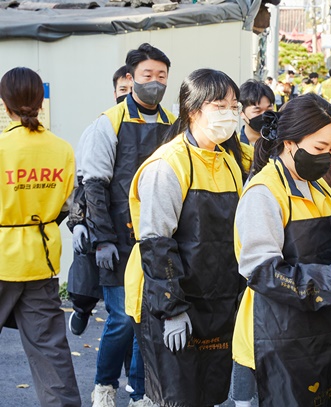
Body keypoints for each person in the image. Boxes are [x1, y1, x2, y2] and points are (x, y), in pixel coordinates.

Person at [125, 68, 248, 407]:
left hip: (216, 301)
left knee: (209, 394)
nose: (230, 114)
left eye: (234, 106)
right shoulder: (167, 165)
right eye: (219, 106)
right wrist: (171, 309)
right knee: (175, 397)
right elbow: (155, 242)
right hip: (170, 300)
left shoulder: (229, 162)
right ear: (193, 111)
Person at [231, 94, 331, 407]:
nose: (327, 158)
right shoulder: (264, 193)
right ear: (289, 143)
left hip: (320, 335)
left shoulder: (319, 187)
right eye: (319, 149)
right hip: (273, 340)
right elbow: (262, 272)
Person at [81, 43, 175, 407]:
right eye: (147, 75)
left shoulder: (171, 124)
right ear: (130, 78)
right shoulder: (109, 122)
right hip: (118, 239)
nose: (155, 82)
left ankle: (141, 392)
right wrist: (102, 239)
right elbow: (94, 184)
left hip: (156, 238)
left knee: (146, 320)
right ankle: (104, 386)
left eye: (161, 76)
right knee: (121, 318)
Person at [0, 66, 81, 406]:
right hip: (41, 261)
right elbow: (67, 204)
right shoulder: (61, 149)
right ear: (40, 102)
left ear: (5, 105)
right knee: (50, 351)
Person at [67, 65, 133, 337]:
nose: (128, 95)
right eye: (122, 90)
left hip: (126, 218)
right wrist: (77, 221)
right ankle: (82, 308)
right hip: (96, 211)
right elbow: (85, 182)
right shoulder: (101, 126)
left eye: (131, 89)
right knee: (86, 270)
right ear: (114, 92)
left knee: (125, 312)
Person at [239, 79, 275, 146]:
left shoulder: (284, 144)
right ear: (241, 113)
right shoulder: (234, 147)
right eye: (257, 111)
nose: (265, 115)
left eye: (269, 110)